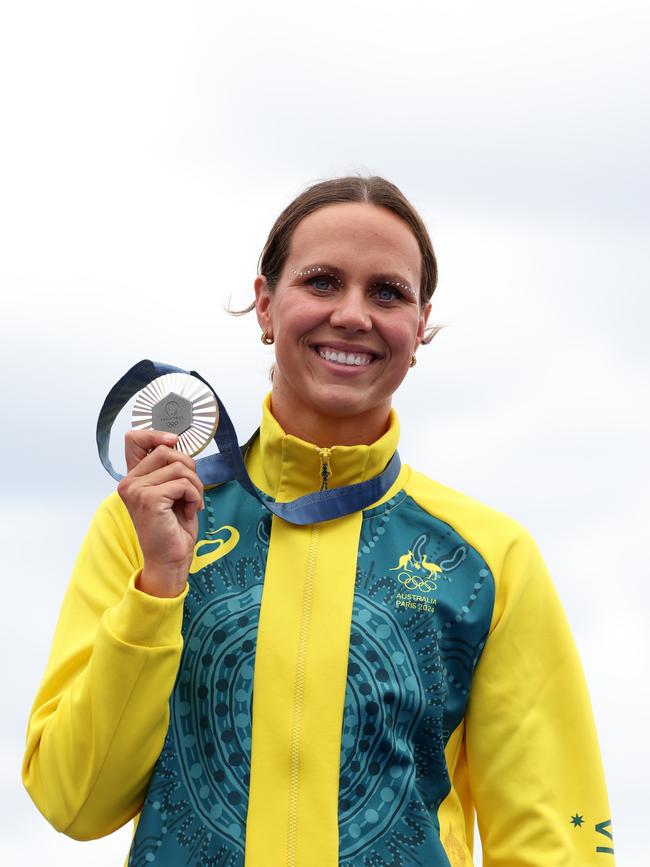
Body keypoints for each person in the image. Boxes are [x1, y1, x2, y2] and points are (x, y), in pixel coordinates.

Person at [23, 176, 615, 866]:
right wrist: (159, 583)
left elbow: (556, 844)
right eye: (323, 281)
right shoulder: (144, 519)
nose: (353, 314)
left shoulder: (491, 559)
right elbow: (73, 800)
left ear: (420, 326)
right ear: (267, 306)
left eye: (387, 292)